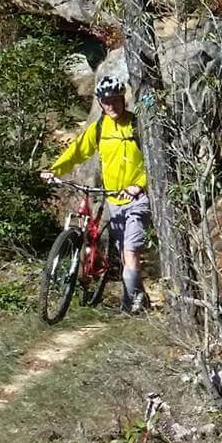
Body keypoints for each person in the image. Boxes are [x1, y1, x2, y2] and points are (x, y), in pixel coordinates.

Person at [40, 75, 151, 313]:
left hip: (137, 199)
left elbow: (155, 163)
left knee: (130, 253)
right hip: (113, 200)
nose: (111, 105)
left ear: (123, 99)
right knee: (124, 257)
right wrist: (54, 169)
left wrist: (139, 185)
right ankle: (135, 300)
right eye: (105, 101)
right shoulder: (100, 127)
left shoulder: (137, 125)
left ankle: (134, 308)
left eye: (114, 100)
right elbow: (77, 152)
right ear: (100, 103)